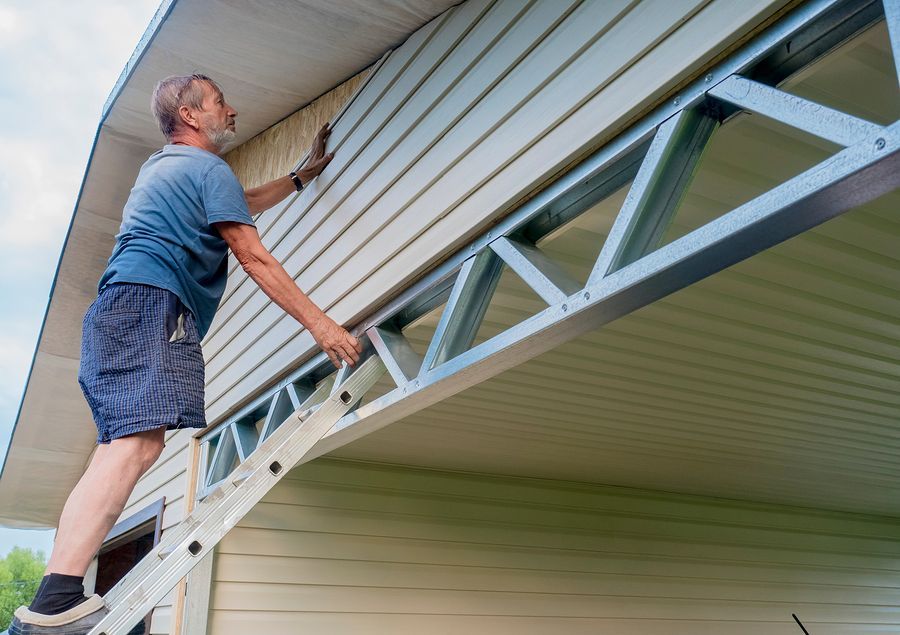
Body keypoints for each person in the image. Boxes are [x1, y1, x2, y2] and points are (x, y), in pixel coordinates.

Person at [6, 74, 361, 635]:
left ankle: (55, 596)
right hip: (151, 304)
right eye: (220, 103)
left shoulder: (167, 170)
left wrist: (296, 179)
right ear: (192, 116)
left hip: (117, 310)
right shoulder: (203, 168)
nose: (232, 110)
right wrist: (321, 326)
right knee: (135, 448)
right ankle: (52, 608)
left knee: (118, 450)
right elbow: (252, 254)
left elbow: (238, 205)